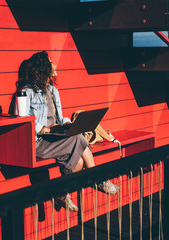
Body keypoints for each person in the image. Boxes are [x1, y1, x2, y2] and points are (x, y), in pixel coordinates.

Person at [14, 51, 119, 212]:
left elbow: (60, 117)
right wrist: (44, 128)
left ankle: (60, 193)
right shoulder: (26, 92)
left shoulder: (53, 90)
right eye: (50, 63)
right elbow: (21, 121)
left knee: (78, 162)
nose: (54, 65)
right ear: (43, 68)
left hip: (55, 138)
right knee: (78, 138)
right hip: (39, 141)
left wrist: (70, 124)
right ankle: (96, 178)